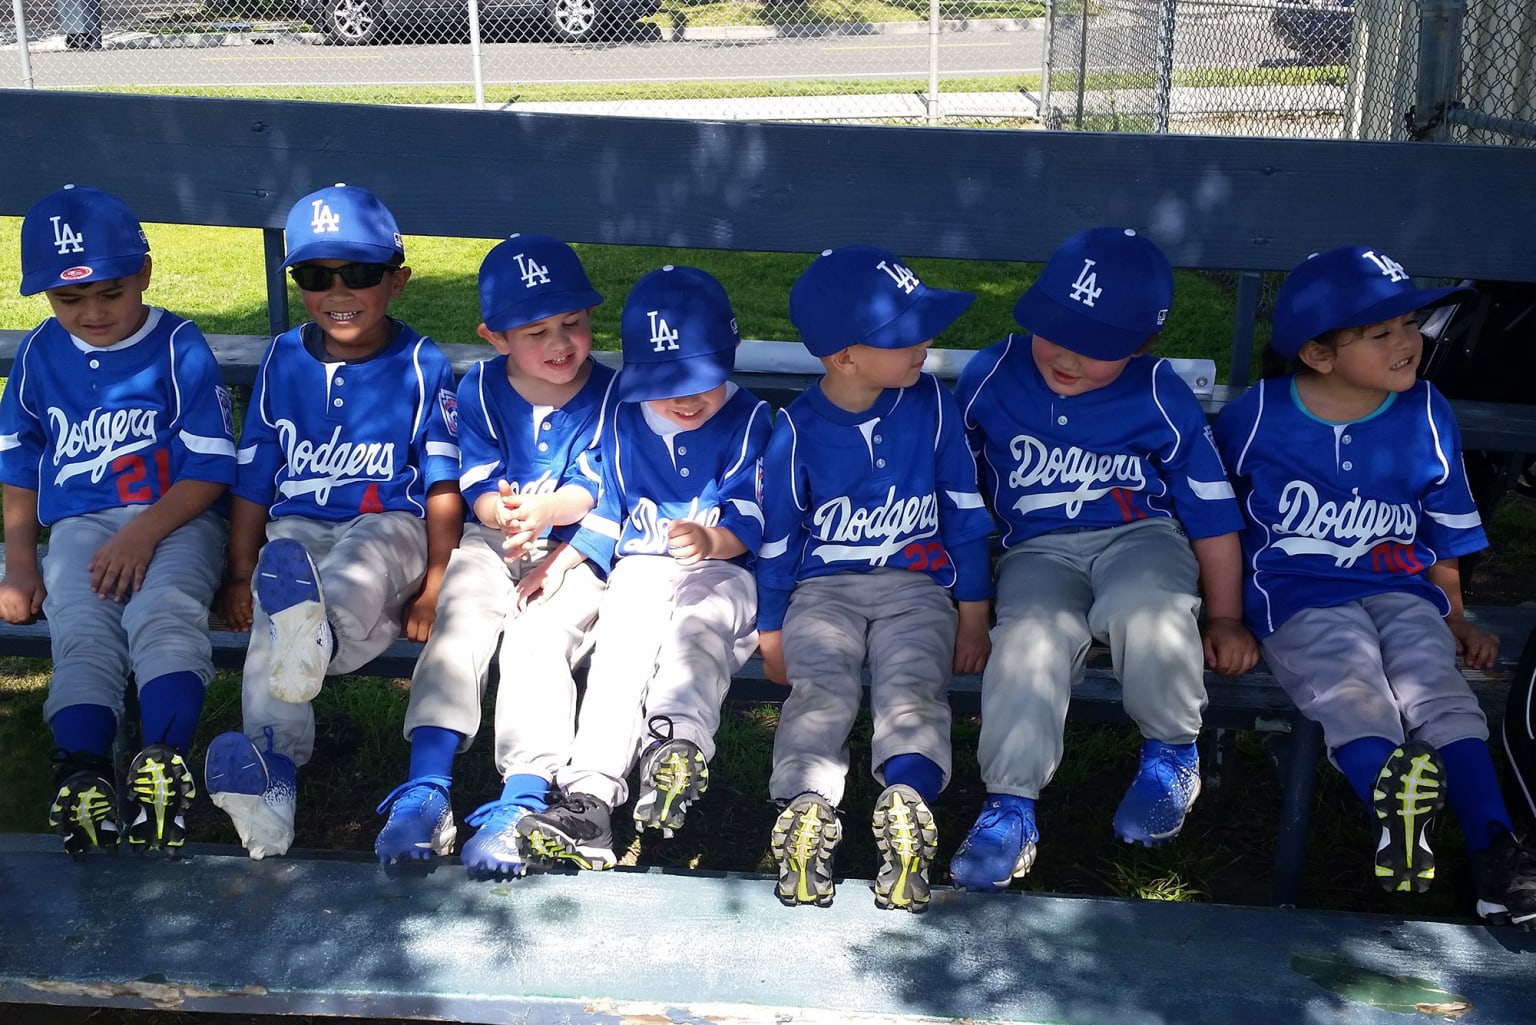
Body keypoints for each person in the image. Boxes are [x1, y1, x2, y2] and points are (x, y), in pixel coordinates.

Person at [1212, 244, 1536, 926]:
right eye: (1381, 332)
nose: (1407, 341)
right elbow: (1211, 516)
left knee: (1438, 687)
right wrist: (1220, 613)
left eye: (1410, 324)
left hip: (1402, 590)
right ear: (1319, 354)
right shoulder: (1260, 414)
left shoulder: (1424, 409)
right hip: (1297, 594)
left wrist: (1455, 615)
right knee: (1350, 685)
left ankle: (1496, 854)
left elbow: (1445, 527)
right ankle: (1393, 808)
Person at [949, 226, 1258, 891]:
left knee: (1146, 607)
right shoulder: (994, 374)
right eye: (1056, 329)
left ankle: (1172, 753)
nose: (1068, 355)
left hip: (1138, 537)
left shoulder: (1157, 393)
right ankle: (1010, 805)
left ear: (1143, 345)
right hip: (1035, 551)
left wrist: (1227, 616)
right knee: (1028, 639)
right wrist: (965, 599)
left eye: (1099, 347)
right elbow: (956, 492)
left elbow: (1209, 512)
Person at [202, 183, 462, 861]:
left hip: (392, 526)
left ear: (397, 280)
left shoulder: (420, 362)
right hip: (298, 532)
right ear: (299, 284)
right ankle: (272, 784)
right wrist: (238, 570)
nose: (338, 290)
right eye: (317, 276)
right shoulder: (285, 357)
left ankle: (312, 643)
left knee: (350, 568)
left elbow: (439, 483)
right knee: (275, 600)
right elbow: (256, 474)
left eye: (362, 273)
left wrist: (437, 581)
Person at [755, 245, 995, 913]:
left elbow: (965, 513)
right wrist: (770, 627)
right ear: (844, 357)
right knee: (820, 689)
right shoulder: (797, 430)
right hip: (823, 593)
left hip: (917, 589)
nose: (924, 344)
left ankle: (908, 801)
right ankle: (805, 809)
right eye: (902, 337)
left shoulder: (932, 404)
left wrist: (973, 612)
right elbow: (778, 540)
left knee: (913, 684)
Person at [0, 184, 236, 856]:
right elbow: (19, 465)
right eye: (69, 298)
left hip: (178, 519)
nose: (92, 312)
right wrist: (21, 562)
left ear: (144, 272)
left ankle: (164, 761)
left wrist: (143, 530)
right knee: (80, 632)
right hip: (79, 527)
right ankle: (82, 770)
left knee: (164, 611)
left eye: (110, 291)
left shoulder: (177, 345)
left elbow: (211, 468)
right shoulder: (42, 353)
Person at [513, 264, 773, 870]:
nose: (684, 398)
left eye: (699, 380)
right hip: (639, 569)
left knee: (696, 635)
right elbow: (609, 507)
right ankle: (590, 800)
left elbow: (759, 513)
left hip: (722, 571)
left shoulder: (751, 419)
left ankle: (675, 748)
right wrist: (564, 557)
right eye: (666, 382)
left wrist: (714, 539)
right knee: (619, 658)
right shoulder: (626, 418)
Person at [373, 233, 616, 875]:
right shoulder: (478, 388)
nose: (559, 344)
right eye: (534, 332)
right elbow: (473, 476)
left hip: (574, 552)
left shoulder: (614, 395)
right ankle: (427, 789)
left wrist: (544, 514)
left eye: (572, 323)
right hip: (493, 540)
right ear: (495, 337)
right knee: (459, 626)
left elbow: (601, 488)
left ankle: (523, 802)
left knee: (537, 641)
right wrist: (495, 511)